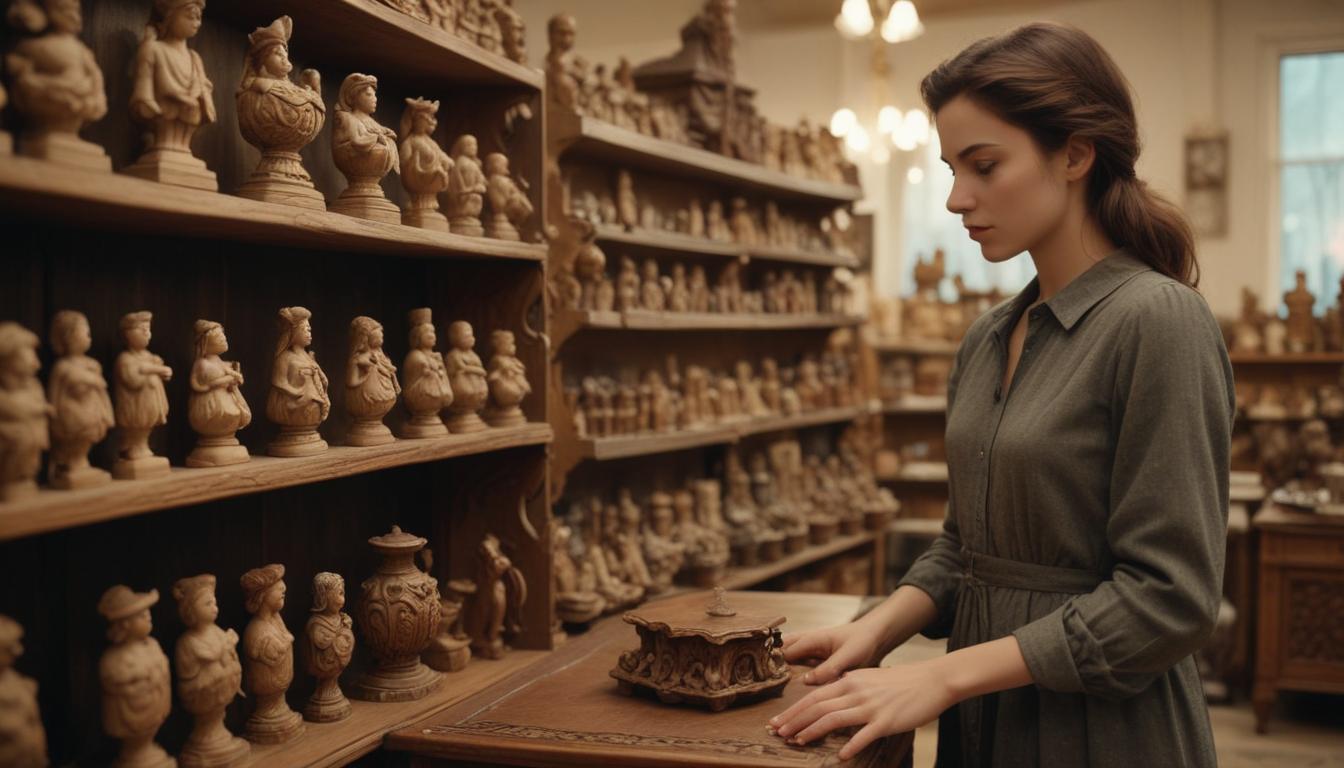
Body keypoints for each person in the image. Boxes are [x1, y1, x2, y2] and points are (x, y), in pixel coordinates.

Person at [769, 22, 1234, 767]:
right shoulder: (989, 336)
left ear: (1075, 154)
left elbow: (1169, 599)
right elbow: (966, 549)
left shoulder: (1159, 322)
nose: (958, 198)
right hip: (985, 719)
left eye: (984, 165)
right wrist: (876, 630)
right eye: (952, 168)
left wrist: (941, 676)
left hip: (1103, 732)